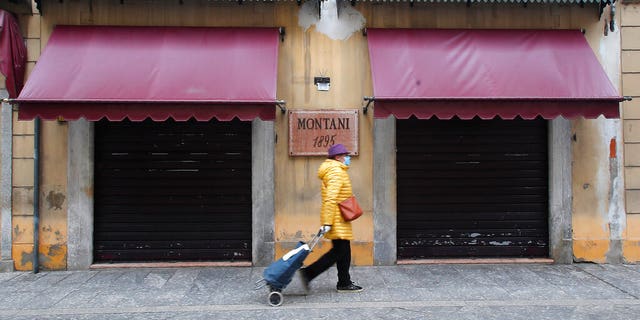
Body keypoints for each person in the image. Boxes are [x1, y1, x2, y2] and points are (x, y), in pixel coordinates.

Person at [299, 143, 363, 293]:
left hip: (340, 218)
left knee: (344, 251)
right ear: (338, 157)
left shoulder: (335, 170)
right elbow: (330, 198)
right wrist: (327, 222)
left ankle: (344, 282)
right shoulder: (335, 171)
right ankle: (308, 273)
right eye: (346, 155)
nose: (348, 158)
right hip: (336, 219)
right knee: (339, 252)